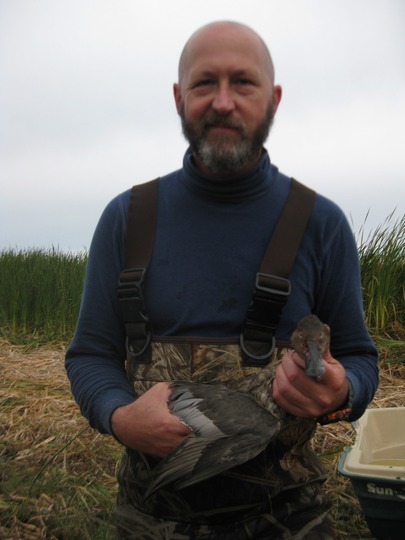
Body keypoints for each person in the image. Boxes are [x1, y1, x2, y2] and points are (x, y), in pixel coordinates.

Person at [65, 20, 379, 539]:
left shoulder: (321, 224)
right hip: (150, 518)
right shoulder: (127, 217)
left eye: (244, 82)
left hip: (289, 516)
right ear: (178, 97)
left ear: (273, 98)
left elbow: (362, 360)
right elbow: (90, 354)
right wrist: (120, 416)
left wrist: (343, 391)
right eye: (205, 83)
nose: (224, 102)